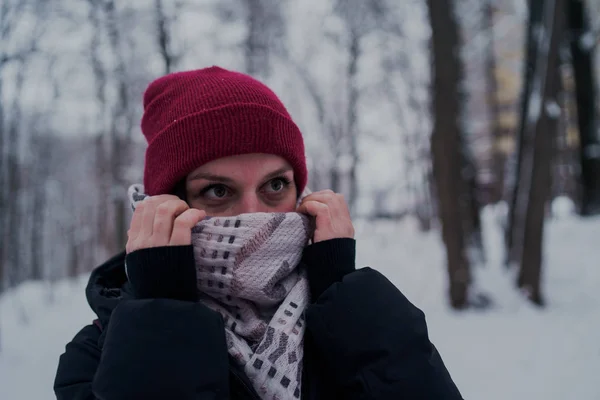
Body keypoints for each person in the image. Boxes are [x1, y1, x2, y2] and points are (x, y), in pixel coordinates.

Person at [54, 66, 463, 400]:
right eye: (217, 191)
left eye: (275, 186)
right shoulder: (97, 355)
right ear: (164, 208)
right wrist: (163, 315)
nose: (254, 215)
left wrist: (344, 297)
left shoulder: (350, 319)